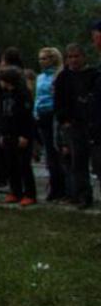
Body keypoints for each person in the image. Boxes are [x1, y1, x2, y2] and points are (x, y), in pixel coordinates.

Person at [55, 42, 96, 208]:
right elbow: (58, 101)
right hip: (73, 124)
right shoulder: (63, 77)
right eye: (70, 57)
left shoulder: (94, 75)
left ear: (83, 57)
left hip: (92, 123)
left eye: (76, 56)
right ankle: (83, 195)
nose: (73, 60)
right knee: (78, 161)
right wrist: (64, 120)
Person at [0, 59, 36, 206]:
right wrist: (1, 133)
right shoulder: (4, 94)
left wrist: (25, 135)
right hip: (7, 133)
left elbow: (27, 117)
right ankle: (15, 191)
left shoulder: (23, 94)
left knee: (24, 165)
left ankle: (30, 193)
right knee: (10, 164)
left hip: (21, 133)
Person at [34, 47, 66, 201]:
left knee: (56, 149)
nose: (42, 61)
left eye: (45, 58)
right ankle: (54, 186)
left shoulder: (59, 74)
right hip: (41, 114)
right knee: (48, 152)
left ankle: (62, 187)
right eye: (40, 58)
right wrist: (35, 112)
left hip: (53, 113)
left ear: (53, 59)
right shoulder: (40, 77)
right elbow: (38, 96)